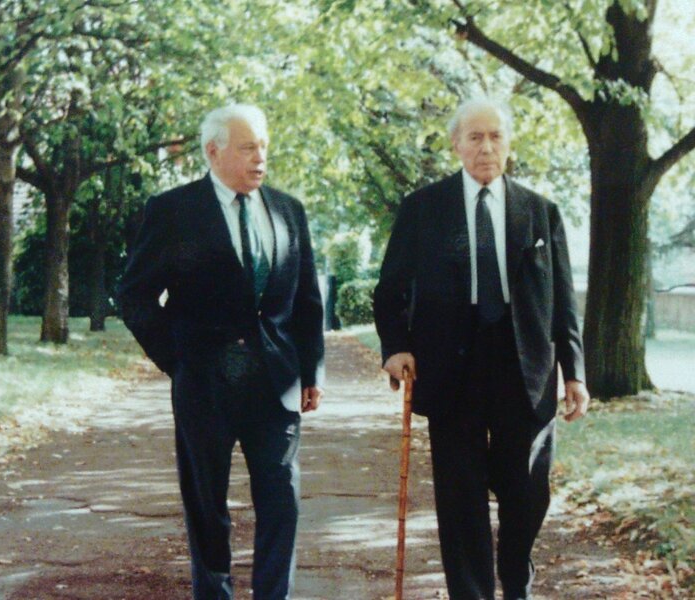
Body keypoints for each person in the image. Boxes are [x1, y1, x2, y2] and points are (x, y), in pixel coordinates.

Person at [374, 97, 590, 600]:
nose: (486, 147)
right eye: (475, 137)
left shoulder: (541, 212)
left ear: (508, 144)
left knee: (528, 490)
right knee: (461, 494)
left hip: (526, 367)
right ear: (456, 145)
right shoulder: (423, 209)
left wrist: (574, 373)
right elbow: (390, 290)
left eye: (495, 136)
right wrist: (395, 347)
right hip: (451, 365)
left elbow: (563, 302)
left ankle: (515, 577)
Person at [119, 103, 325, 600]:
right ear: (213, 152)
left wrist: (312, 370)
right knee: (207, 507)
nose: (260, 158)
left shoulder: (287, 210)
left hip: (276, 382)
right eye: (248, 147)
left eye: (264, 147)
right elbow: (135, 295)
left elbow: (306, 299)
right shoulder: (172, 211)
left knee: (282, 501)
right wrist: (179, 359)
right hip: (205, 385)